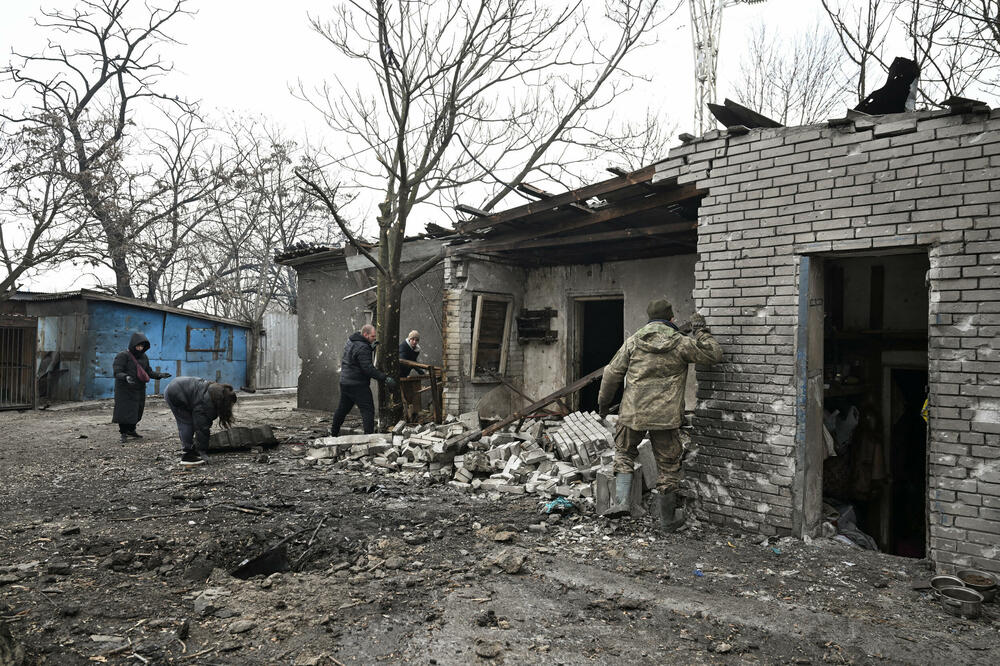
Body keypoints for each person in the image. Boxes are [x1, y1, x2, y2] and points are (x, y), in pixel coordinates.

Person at [596, 298, 723, 531]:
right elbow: (714, 355)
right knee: (668, 466)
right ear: (671, 318)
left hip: (632, 412)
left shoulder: (633, 342)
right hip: (665, 417)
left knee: (624, 454)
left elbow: (611, 374)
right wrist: (701, 331)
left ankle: (622, 502)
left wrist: (603, 405)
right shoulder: (681, 343)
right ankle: (667, 520)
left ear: (649, 319)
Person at [331, 324, 397, 436]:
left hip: (345, 382)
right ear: (365, 335)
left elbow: (355, 356)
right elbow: (368, 369)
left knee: (342, 410)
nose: (374, 339)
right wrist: (384, 378)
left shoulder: (351, 341)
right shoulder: (363, 347)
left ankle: (333, 433)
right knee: (368, 411)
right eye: (372, 336)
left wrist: (369, 348)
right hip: (358, 385)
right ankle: (369, 438)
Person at [163, 377, 238, 466]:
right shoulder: (207, 403)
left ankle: (190, 448)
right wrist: (202, 452)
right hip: (176, 392)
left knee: (189, 422)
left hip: (174, 387)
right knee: (186, 423)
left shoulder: (214, 391)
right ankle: (188, 454)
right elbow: (202, 428)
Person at [112, 332, 171, 443]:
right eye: (138, 345)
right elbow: (117, 372)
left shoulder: (144, 357)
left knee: (137, 410)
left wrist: (160, 375)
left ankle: (132, 430)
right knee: (124, 411)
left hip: (138, 388)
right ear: (133, 344)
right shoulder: (122, 356)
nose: (140, 348)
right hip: (124, 389)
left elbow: (148, 372)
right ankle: (123, 433)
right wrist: (126, 377)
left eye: (142, 346)